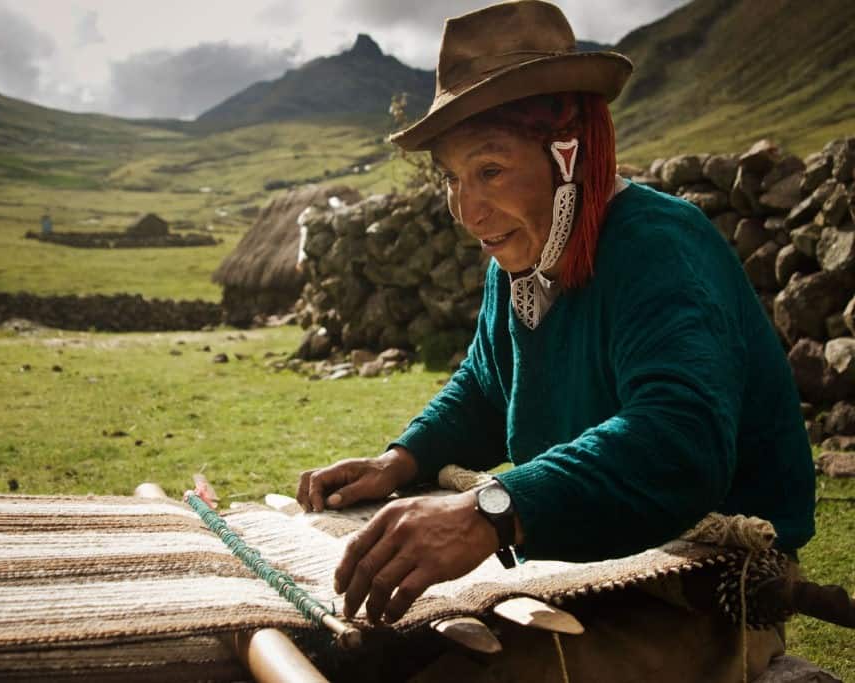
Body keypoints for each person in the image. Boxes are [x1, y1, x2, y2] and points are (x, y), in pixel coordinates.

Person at [296, 1, 816, 679]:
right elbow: (486, 387)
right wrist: (401, 458)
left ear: (568, 153)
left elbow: (678, 441)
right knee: (357, 652)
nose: (467, 211)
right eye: (453, 179)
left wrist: (490, 512)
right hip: (587, 567)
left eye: (488, 171)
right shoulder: (519, 262)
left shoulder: (660, 247)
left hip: (700, 585)